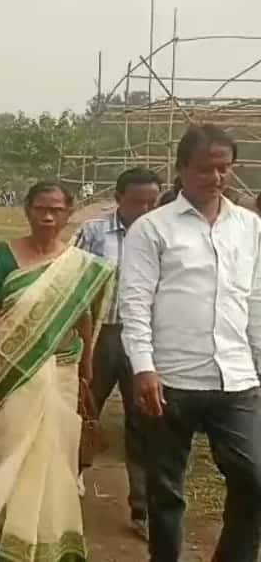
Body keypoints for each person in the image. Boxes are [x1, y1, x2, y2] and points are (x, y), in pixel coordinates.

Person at [0, 181, 116, 562]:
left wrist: (86, 367)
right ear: (27, 210)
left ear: (69, 214)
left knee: (54, 453)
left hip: (62, 371)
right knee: (8, 447)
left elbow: (82, 318)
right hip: (11, 369)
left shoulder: (79, 265)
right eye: (40, 209)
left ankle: (44, 538)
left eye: (56, 210)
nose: (48, 217)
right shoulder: (2, 257)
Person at [119, 124, 261, 562]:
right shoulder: (152, 228)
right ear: (181, 169)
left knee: (254, 477)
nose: (216, 178)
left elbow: (255, 300)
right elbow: (135, 303)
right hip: (170, 379)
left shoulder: (249, 227)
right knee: (166, 489)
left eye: (224, 168)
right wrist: (144, 367)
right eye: (204, 169)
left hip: (235, 377)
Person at [72, 167, 161, 538]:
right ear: (119, 198)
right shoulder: (94, 232)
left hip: (146, 338)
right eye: (138, 201)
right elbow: (71, 281)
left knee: (144, 419)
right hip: (102, 333)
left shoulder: (164, 233)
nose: (145, 209)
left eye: (152, 202)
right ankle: (71, 474)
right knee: (84, 407)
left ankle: (142, 507)